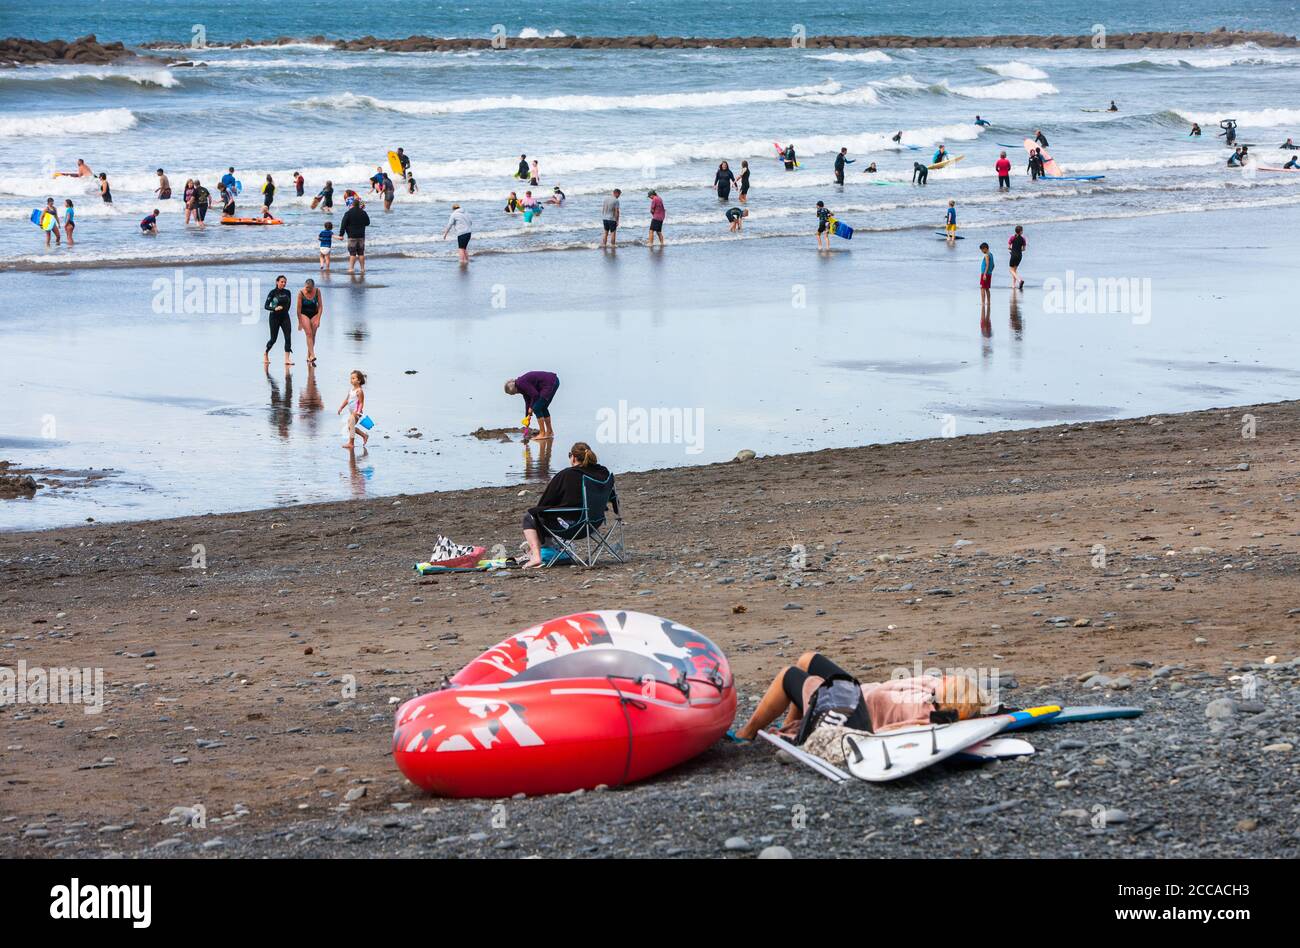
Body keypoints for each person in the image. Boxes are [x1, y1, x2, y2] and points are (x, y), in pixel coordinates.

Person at [725, 651, 987, 746]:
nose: (940, 679)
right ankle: (795, 720)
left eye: (945, 681)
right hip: (856, 691)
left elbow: (883, 732)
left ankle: (747, 734)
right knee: (807, 659)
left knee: (788, 674)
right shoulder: (935, 704)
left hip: (848, 706)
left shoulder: (919, 712)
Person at [519, 442, 615, 569]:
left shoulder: (567, 474)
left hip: (572, 527)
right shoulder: (603, 473)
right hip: (594, 523)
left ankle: (537, 556)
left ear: (573, 457)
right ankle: (552, 550)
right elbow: (611, 497)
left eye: (570, 455)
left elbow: (545, 501)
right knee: (546, 513)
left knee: (532, 515)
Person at [505, 371, 559, 443]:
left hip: (550, 382)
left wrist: (531, 407)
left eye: (513, 393)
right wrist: (527, 418)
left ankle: (542, 433)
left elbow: (535, 395)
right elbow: (527, 401)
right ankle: (549, 432)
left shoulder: (521, 383)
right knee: (542, 407)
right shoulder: (521, 386)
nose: (515, 394)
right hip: (553, 381)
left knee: (537, 408)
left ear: (514, 389)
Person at [263, 275, 293, 366]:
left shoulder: (288, 292)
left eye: (285, 282)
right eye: (282, 282)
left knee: (288, 337)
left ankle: (287, 359)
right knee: (273, 339)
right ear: (277, 282)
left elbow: (288, 305)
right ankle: (266, 353)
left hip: (285, 317)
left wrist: (284, 313)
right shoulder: (272, 293)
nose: (284, 283)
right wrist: (275, 308)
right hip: (274, 318)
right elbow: (266, 306)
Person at [338, 369, 368, 451]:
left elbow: (361, 403)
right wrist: (341, 407)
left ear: (359, 380)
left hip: (356, 412)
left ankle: (351, 443)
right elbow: (347, 400)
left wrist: (358, 411)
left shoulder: (359, 391)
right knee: (350, 427)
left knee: (351, 424)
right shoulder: (351, 390)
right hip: (352, 412)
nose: (351, 380)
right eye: (351, 378)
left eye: (353, 378)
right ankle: (364, 435)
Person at [339, 199, 370, 274]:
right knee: (361, 253)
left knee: (352, 253)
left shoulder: (348, 213)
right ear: (358, 205)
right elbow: (368, 223)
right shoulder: (363, 212)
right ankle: (362, 269)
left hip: (351, 236)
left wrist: (341, 234)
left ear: (352, 205)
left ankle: (351, 268)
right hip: (361, 235)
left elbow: (343, 224)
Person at [297, 278, 323, 365]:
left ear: (313, 287)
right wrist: (300, 322)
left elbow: (320, 306)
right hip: (304, 314)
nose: (308, 289)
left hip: (314, 314)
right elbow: (298, 309)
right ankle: (313, 354)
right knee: (308, 333)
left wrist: (318, 319)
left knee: (313, 334)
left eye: (310, 288)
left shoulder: (317, 291)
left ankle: (309, 356)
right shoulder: (301, 293)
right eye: (307, 287)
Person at [1008, 224, 1026, 290]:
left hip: (1013, 255)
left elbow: (1009, 247)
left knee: (1011, 270)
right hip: (1019, 256)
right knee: (1014, 270)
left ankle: (1020, 280)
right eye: (1022, 230)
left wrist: (1012, 249)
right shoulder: (1023, 239)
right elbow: (1024, 249)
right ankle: (1013, 285)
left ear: (1016, 231)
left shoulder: (1012, 238)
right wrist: (1018, 249)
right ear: (1021, 231)